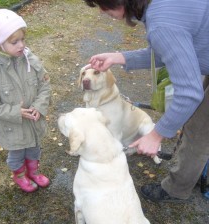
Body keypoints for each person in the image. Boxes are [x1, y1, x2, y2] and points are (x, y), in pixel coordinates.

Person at [83, 0, 209, 202]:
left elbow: (189, 93)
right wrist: (119, 57)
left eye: (102, 4)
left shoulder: (161, 23)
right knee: (196, 123)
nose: (101, 11)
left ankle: (175, 190)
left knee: (199, 132)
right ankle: (192, 171)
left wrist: (156, 135)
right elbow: (168, 50)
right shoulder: (159, 6)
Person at [0, 9, 51, 192]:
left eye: (23, 39)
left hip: (34, 122)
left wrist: (39, 106)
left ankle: (33, 171)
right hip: (12, 127)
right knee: (17, 154)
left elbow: (45, 85)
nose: (21, 45)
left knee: (34, 149)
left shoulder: (31, 59)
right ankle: (20, 175)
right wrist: (15, 112)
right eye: (14, 42)